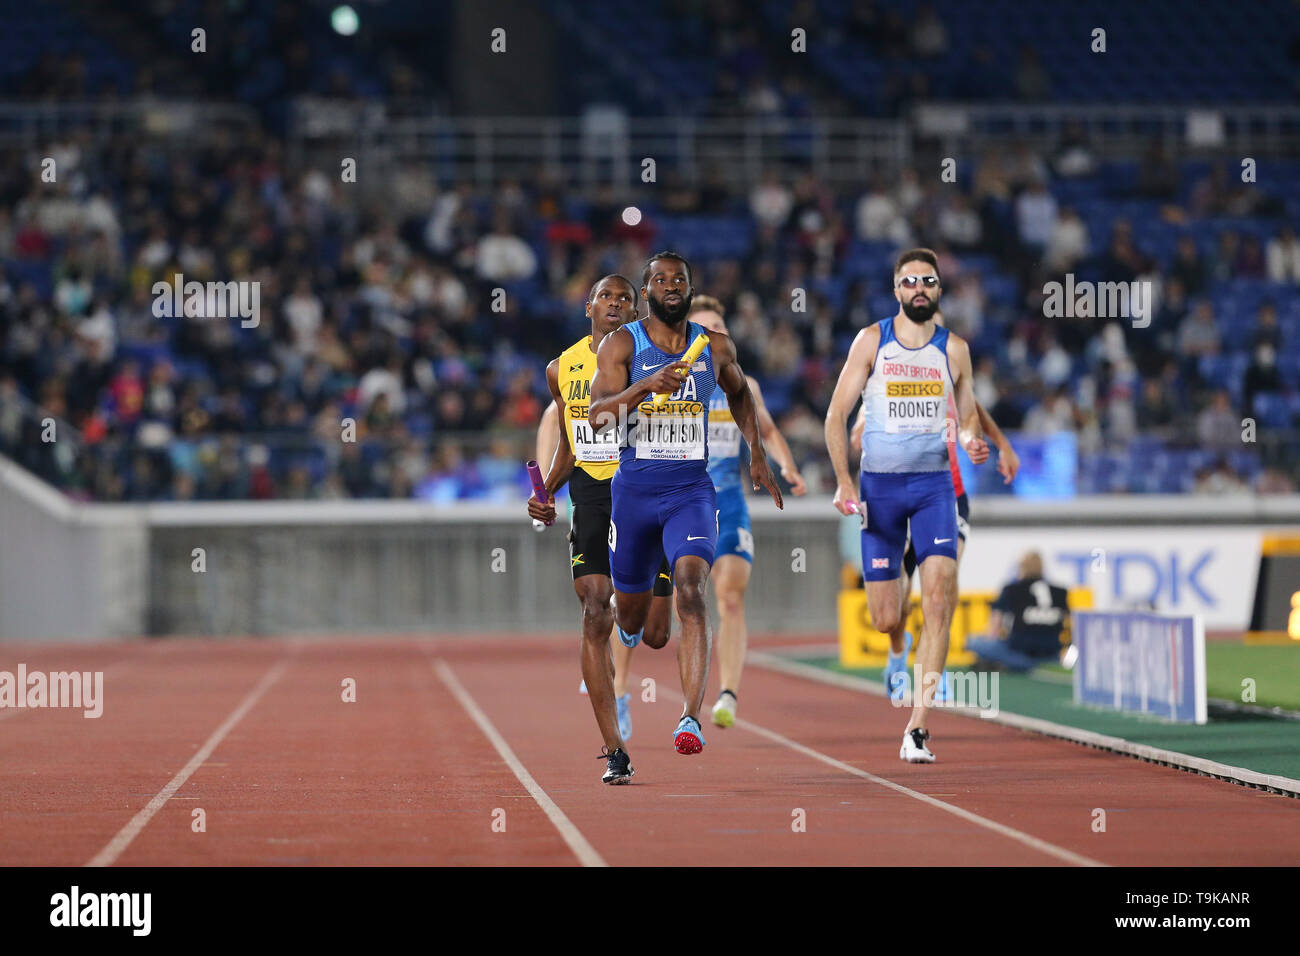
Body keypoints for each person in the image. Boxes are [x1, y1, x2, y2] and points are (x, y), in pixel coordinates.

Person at [589, 252, 783, 758]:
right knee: (634, 625)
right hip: (633, 494)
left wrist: (757, 455)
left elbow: (740, 395)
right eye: (660, 280)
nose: (670, 286)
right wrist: (643, 386)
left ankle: (689, 718)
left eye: (679, 280)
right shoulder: (621, 344)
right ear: (646, 290)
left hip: (690, 493)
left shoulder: (713, 346)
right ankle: (628, 633)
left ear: (690, 289)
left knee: (693, 591)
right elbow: (596, 418)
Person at [824, 248, 988, 763]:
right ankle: (897, 649)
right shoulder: (872, 341)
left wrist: (975, 439)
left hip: (935, 488)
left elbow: (967, 417)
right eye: (910, 281)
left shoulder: (955, 350)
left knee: (940, 598)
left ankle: (917, 727)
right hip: (880, 490)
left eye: (929, 282)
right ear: (896, 290)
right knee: (884, 615)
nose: (920, 288)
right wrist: (843, 482)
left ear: (939, 291)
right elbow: (835, 416)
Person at [527, 274, 671, 785]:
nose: (615, 304)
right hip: (591, 491)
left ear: (635, 311)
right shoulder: (559, 368)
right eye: (607, 297)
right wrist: (545, 491)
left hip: (643, 485)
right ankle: (615, 749)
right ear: (588, 306)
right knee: (594, 612)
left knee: (653, 634)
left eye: (625, 299)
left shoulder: (646, 355)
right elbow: (570, 442)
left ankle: (650, 594)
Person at [850, 308, 1018, 703]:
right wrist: (859, 429)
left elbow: (974, 411)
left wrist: (1001, 446)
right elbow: (863, 416)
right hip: (895, 494)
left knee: (940, 586)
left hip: (945, 495)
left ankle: (931, 671)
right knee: (895, 603)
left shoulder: (946, 369)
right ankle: (897, 651)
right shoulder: (889, 380)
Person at [688, 295, 808, 728]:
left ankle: (727, 694)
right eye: (701, 330)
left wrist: (788, 466)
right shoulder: (668, 382)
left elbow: (768, 431)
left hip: (730, 501)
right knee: (677, 601)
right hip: (683, 498)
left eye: (717, 328)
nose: (711, 337)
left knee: (731, 596)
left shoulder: (744, 385)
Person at [967, 552, 1069, 672]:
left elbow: (993, 629)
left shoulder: (1012, 590)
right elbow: (1069, 622)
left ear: (1022, 568)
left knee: (973, 642)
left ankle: (1000, 664)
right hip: (1052, 657)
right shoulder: (1060, 592)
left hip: (1019, 655)